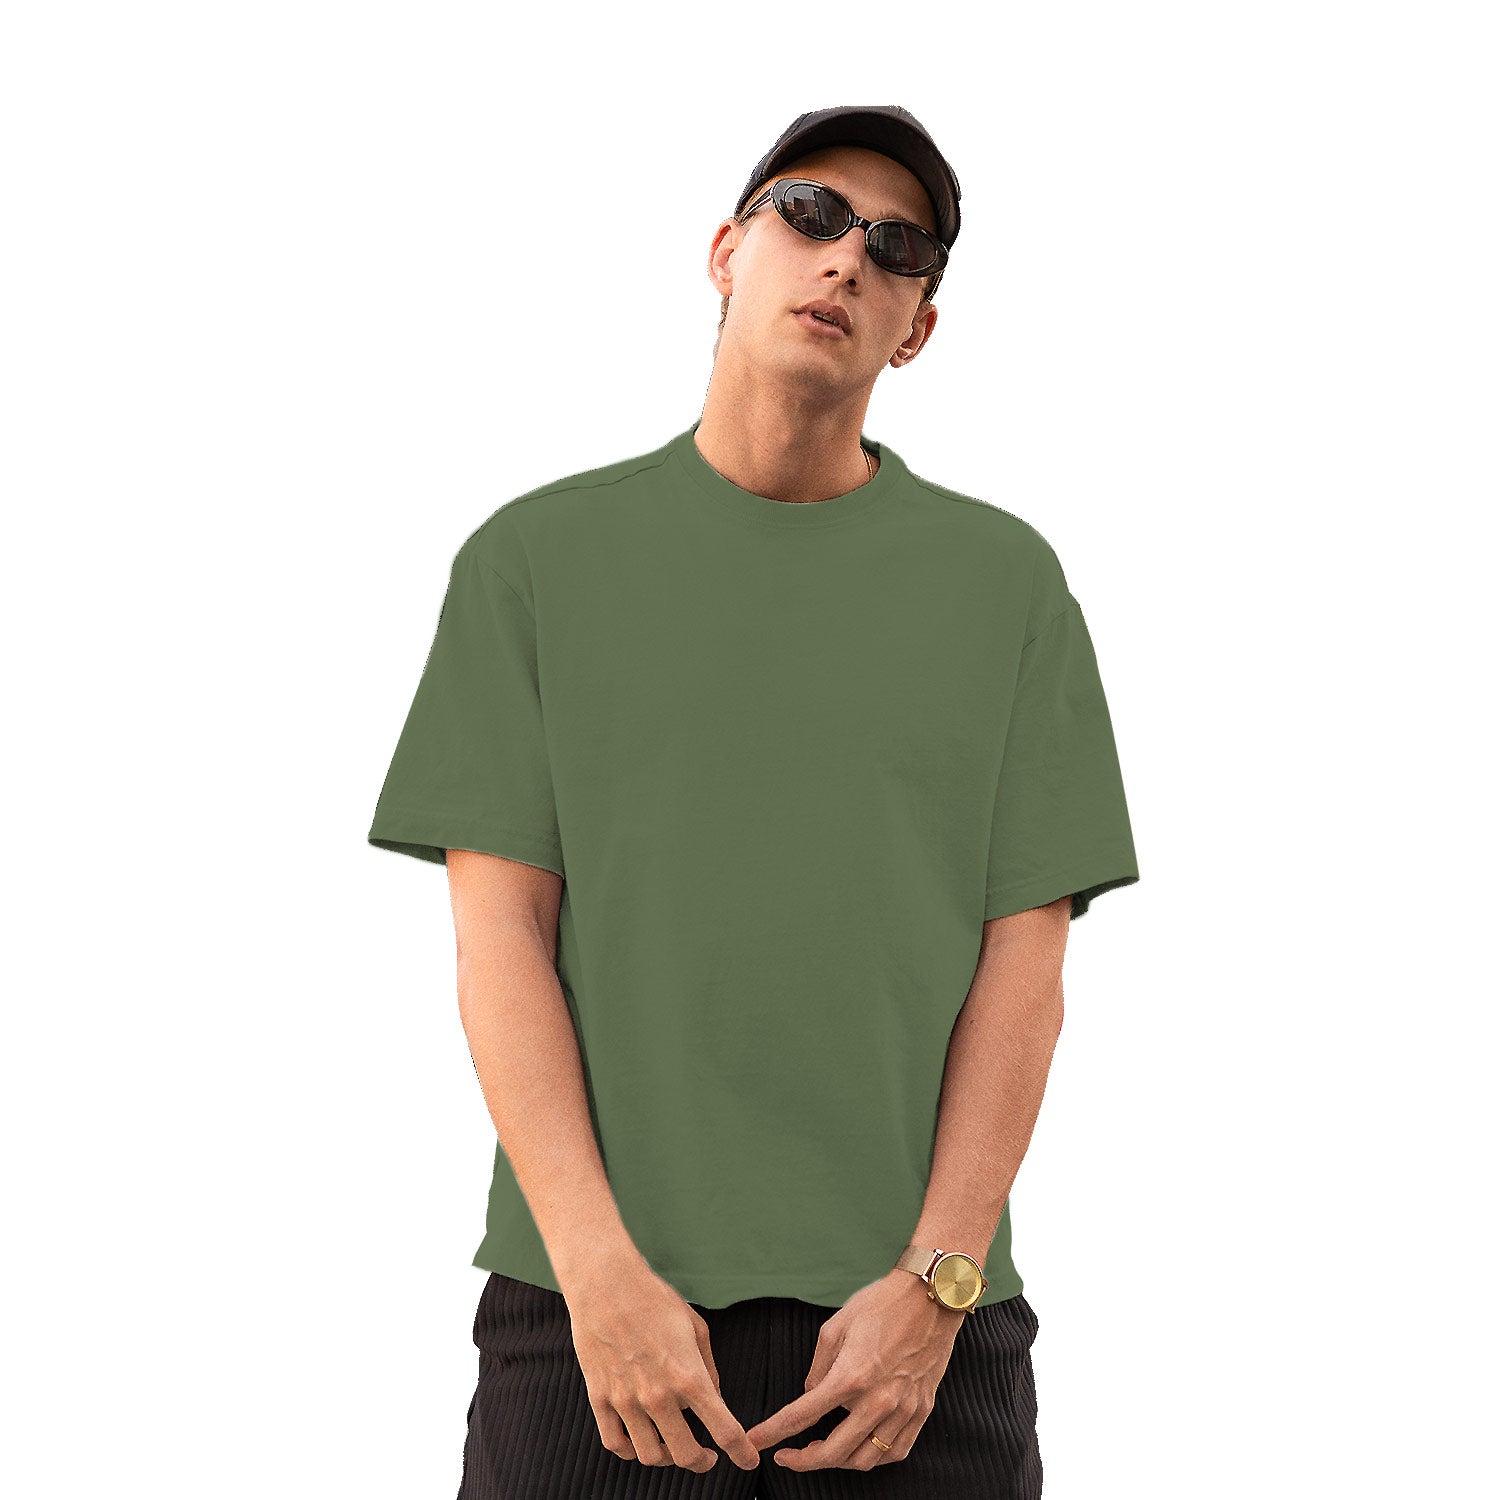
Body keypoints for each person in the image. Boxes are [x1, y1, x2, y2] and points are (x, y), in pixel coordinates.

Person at [367, 104, 1139, 1499]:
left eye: (896, 248)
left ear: (917, 330)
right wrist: (598, 1276)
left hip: (916, 1331)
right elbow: (500, 945)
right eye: (811, 213)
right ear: (727, 252)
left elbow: (1025, 970)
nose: (847, 258)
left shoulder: (1005, 587)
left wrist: (938, 1285)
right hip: (595, 1317)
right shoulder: (535, 563)